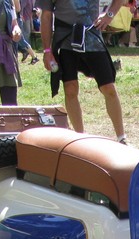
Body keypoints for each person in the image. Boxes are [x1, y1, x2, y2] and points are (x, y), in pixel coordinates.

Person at [37, 0, 128, 143]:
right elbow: (46, 16)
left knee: (108, 88)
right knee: (70, 89)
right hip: (65, 40)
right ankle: (80, 139)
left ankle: (121, 138)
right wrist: (47, 51)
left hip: (92, 38)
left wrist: (109, 15)